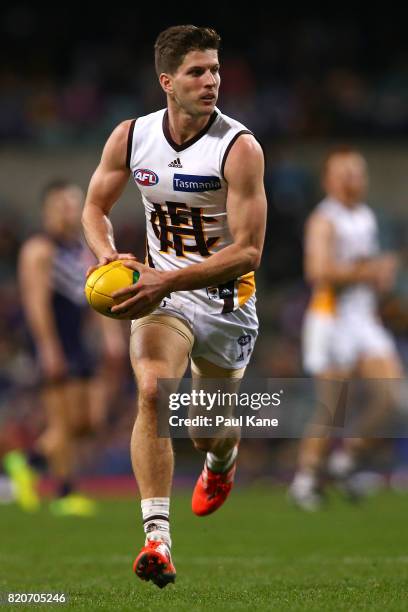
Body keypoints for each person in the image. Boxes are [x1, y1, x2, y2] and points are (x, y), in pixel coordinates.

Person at [81, 25, 266, 587]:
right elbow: (94, 206)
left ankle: (221, 459)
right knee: (151, 389)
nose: (211, 80)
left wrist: (168, 278)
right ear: (167, 81)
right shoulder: (132, 137)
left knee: (206, 431)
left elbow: (249, 250)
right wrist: (106, 251)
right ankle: (157, 540)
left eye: (214, 69)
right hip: (162, 296)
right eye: (196, 71)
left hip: (227, 300)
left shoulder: (238, 147)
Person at [289, 147, 403, 511]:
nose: (354, 179)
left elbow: (361, 270)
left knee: (393, 398)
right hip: (330, 319)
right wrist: (369, 271)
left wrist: (379, 277)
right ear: (329, 180)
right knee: (332, 407)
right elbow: (318, 272)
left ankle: (346, 460)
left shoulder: (366, 217)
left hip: (363, 319)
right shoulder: (325, 220)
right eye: (345, 173)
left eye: (358, 172)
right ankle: (305, 480)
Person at [14, 180, 126, 516]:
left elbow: (96, 294)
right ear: (47, 208)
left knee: (88, 420)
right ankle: (64, 492)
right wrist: (48, 349)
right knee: (62, 422)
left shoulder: (80, 249)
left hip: (79, 342)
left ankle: (25, 463)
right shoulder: (39, 249)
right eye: (62, 204)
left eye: (73, 204)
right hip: (55, 341)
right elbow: (36, 304)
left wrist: (111, 336)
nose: (69, 211)